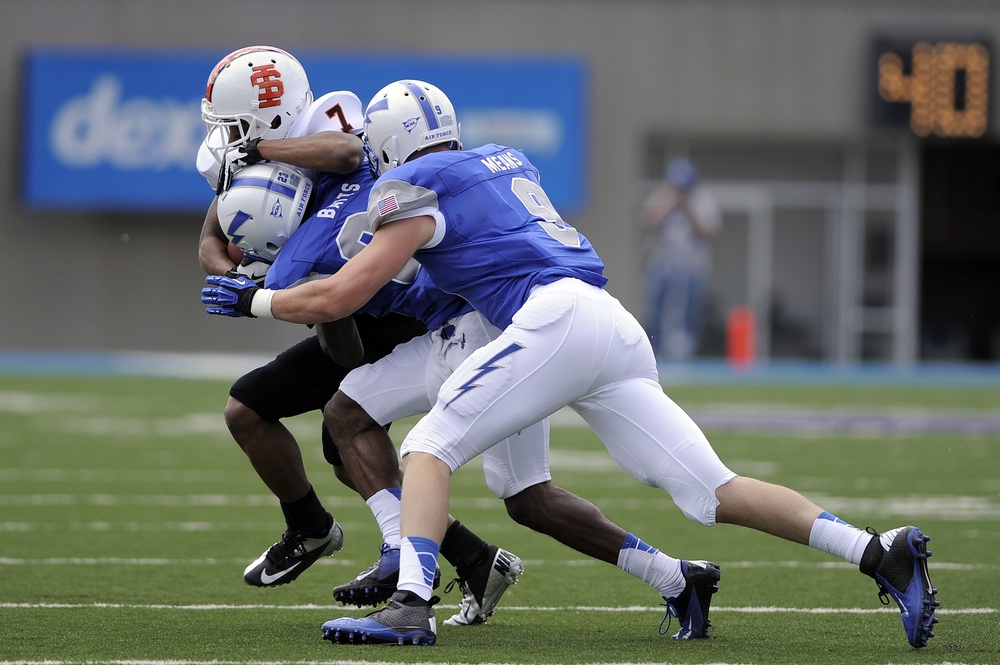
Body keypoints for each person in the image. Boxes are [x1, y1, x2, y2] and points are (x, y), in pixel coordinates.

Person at [201, 80, 939, 649]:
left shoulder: (411, 188)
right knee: (711, 490)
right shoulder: (502, 159)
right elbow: (459, 255)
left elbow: (348, 290)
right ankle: (878, 551)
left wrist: (258, 303)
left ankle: (411, 604)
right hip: (608, 322)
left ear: (391, 144)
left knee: (427, 446)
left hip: (547, 319)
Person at [196, 48, 520, 618]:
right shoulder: (257, 167)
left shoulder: (325, 126)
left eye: (237, 127)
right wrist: (241, 281)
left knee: (346, 431)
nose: (229, 138)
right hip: (348, 298)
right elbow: (212, 240)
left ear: (264, 117)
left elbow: (347, 153)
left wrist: (283, 287)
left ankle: (421, 555)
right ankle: (322, 530)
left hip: (397, 307)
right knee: (255, 412)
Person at [640, 157, 721, 361]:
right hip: (663, 263)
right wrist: (671, 205)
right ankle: (652, 350)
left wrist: (687, 207)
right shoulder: (661, 196)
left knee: (691, 307)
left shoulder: (702, 200)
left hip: (692, 264)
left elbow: (708, 230)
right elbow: (649, 220)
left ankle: (688, 351)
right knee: (655, 304)